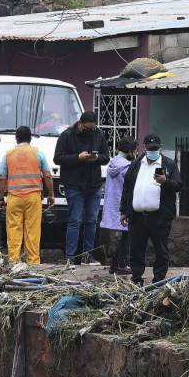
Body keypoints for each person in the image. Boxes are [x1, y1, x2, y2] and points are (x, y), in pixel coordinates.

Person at [121, 133, 181, 286]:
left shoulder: (168, 164)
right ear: (145, 148)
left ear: (160, 148)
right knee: (136, 249)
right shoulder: (136, 164)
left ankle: (158, 280)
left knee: (161, 250)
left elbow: (178, 185)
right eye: (150, 148)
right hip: (137, 216)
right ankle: (136, 279)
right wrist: (124, 210)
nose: (153, 151)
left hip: (160, 217)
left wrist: (165, 181)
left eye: (156, 148)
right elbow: (127, 188)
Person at [54, 111, 109, 264]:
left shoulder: (98, 134)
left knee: (92, 220)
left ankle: (87, 254)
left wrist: (97, 158)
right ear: (80, 123)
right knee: (75, 220)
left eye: (92, 127)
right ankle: (70, 257)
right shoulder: (67, 135)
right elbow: (58, 158)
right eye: (87, 127)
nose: (90, 130)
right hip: (74, 184)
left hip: (94, 184)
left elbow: (106, 157)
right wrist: (77, 158)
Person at [0, 125, 54, 265]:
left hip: (14, 198)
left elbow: (2, 178)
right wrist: (51, 194)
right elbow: (47, 175)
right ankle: (33, 263)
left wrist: (0, 198)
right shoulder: (38, 153)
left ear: (16, 138)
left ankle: (14, 262)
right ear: (30, 138)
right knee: (32, 231)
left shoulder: (7, 155)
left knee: (14, 230)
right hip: (33, 197)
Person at [102, 136, 137, 275]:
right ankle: (121, 264)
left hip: (114, 203)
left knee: (125, 234)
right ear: (130, 151)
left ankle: (115, 264)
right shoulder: (127, 166)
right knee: (127, 235)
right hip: (124, 203)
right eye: (134, 149)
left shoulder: (114, 163)